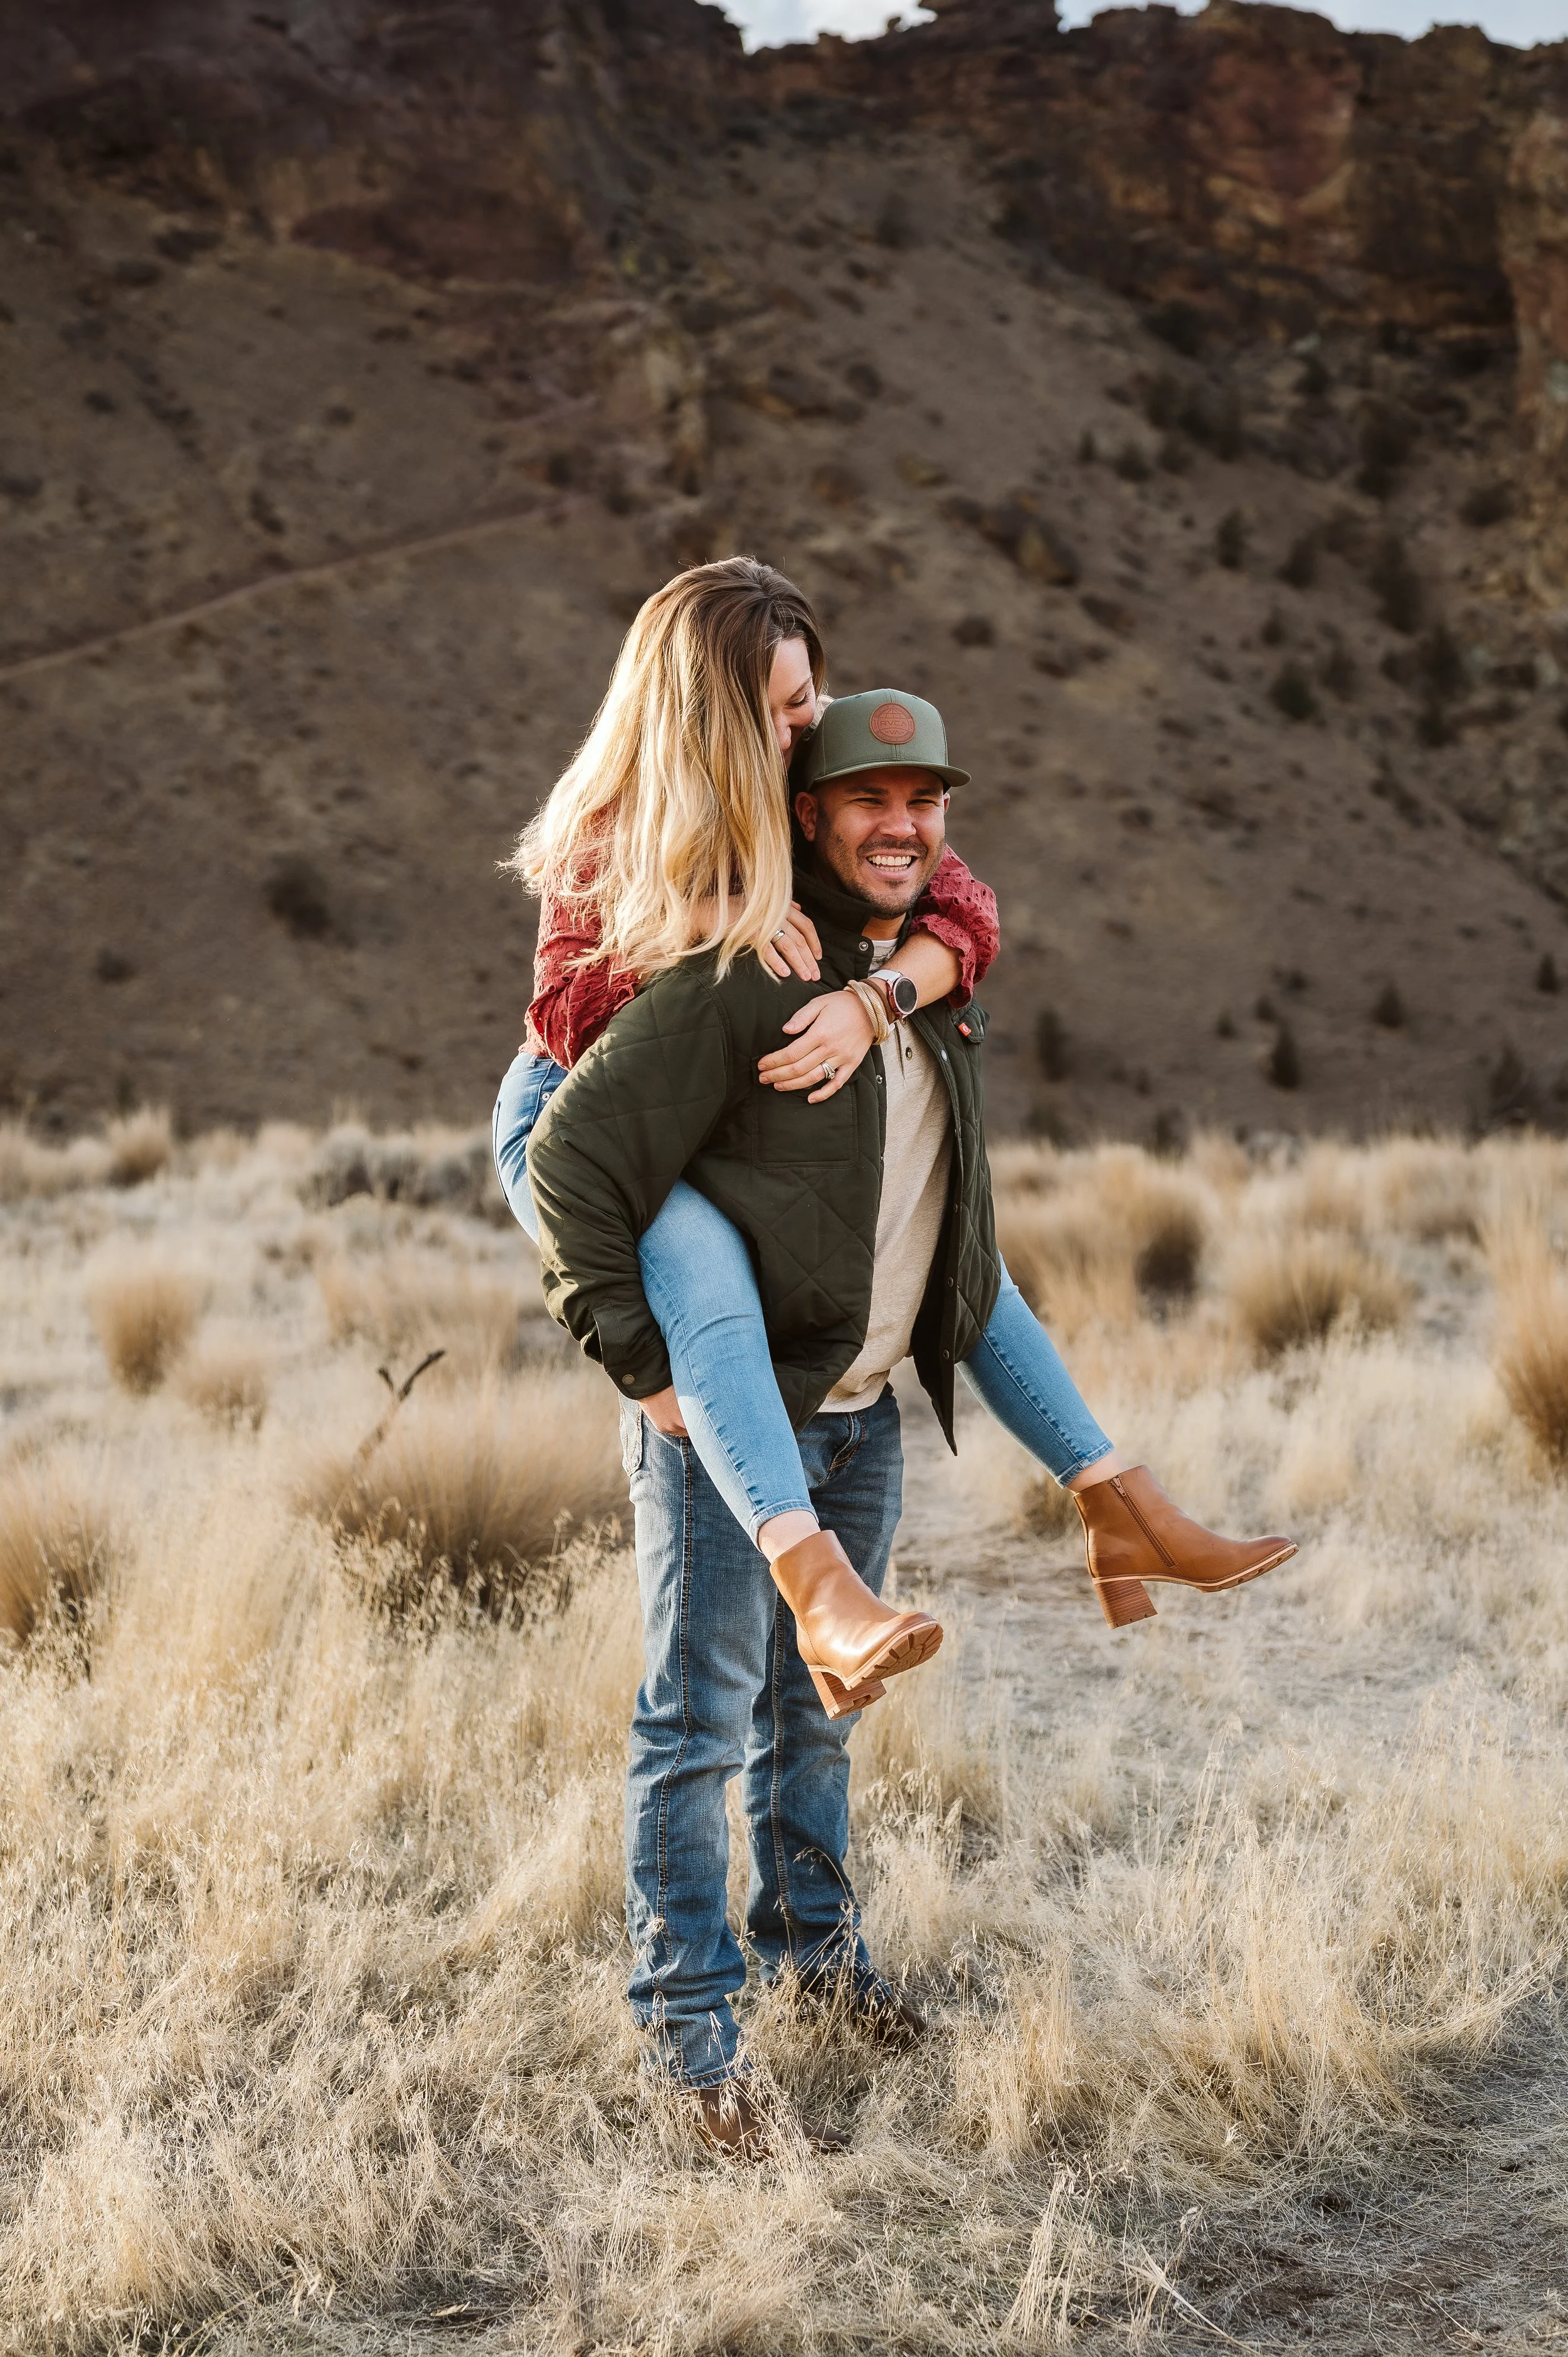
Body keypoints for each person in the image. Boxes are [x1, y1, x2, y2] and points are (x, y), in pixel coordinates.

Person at [526, 684, 1296, 2151]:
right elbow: (567, 1163)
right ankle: (691, 2041)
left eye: (922, 800)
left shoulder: (923, 975)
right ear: (804, 812)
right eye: (866, 799)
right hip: (731, 1426)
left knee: (820, 1716)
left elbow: (935, 1211)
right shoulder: (747, 969)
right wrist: (643, 1370)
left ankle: (818, 1963)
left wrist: (906, 980)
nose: (899, 824)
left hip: (859, 1407)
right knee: (695, 1724)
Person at [495, 558, 1284, 1670]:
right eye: (783, 707)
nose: (807, 722)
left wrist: (873, 1003)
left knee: (951, 1243)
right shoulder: (614, 823)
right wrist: (704, 916)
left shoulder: (797, 777)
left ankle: (1118, 1499)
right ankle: (812, 1579)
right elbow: (569, 1020)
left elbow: (965, 912)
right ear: (710, 715)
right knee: (707, 1275)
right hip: (571, 1103)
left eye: (808, 694)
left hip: (698, 1087)